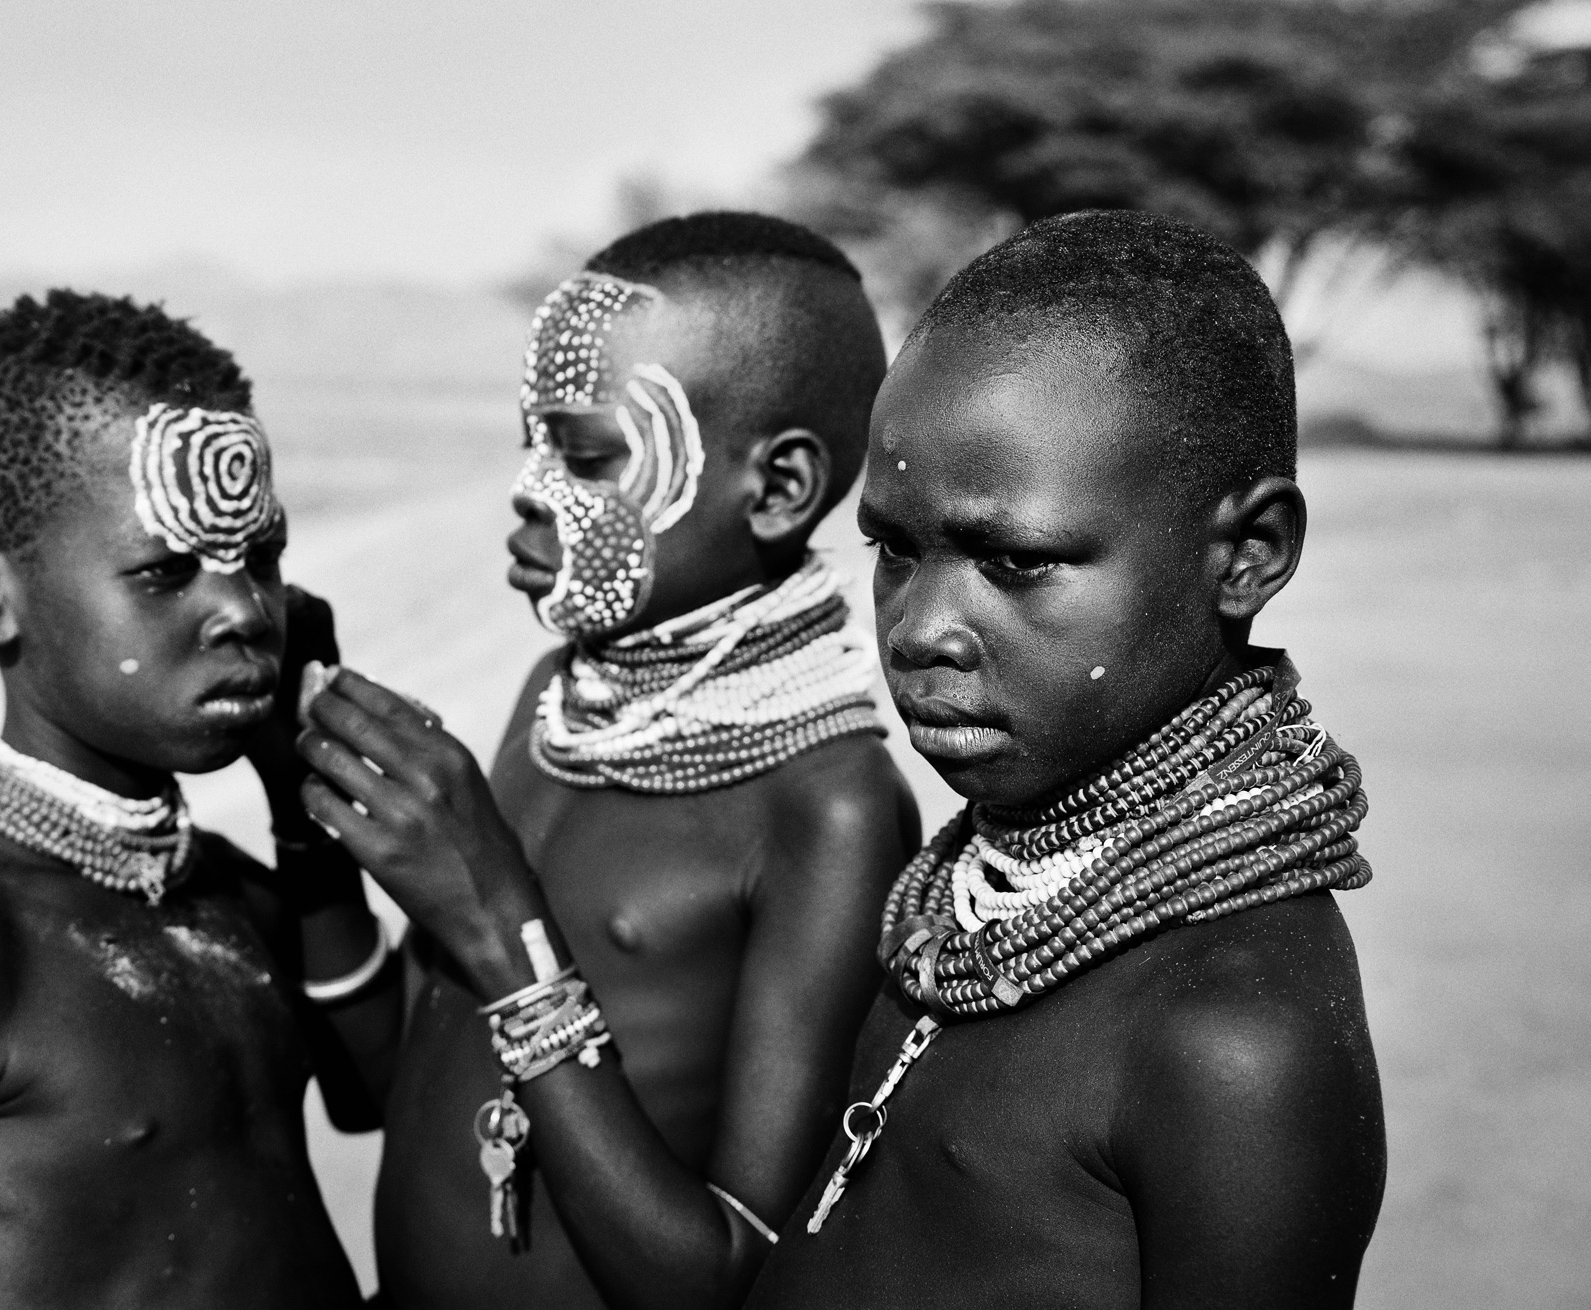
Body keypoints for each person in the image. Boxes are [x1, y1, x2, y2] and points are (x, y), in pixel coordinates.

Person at [740, 209, 1387, 1307]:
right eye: (893, 546)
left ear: (1247, 553)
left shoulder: (1232, 1037)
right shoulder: (966, 896)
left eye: (1017, 559)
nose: (918, 627)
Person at [294, 212, 918, 1310]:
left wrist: (504, 932)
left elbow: (729, 1274)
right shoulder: (562, 699)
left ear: (774, 488)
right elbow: (386, 1079)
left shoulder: (829, 806)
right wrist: (303, 805)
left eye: (583, 453)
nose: (529, 486)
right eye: (528, 440)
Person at [0, 290, 400, 1308]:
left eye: (262, 558)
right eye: (162, 572)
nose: (242, 609)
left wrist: (300, 810)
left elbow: (378, 1093)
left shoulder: (233, 891)